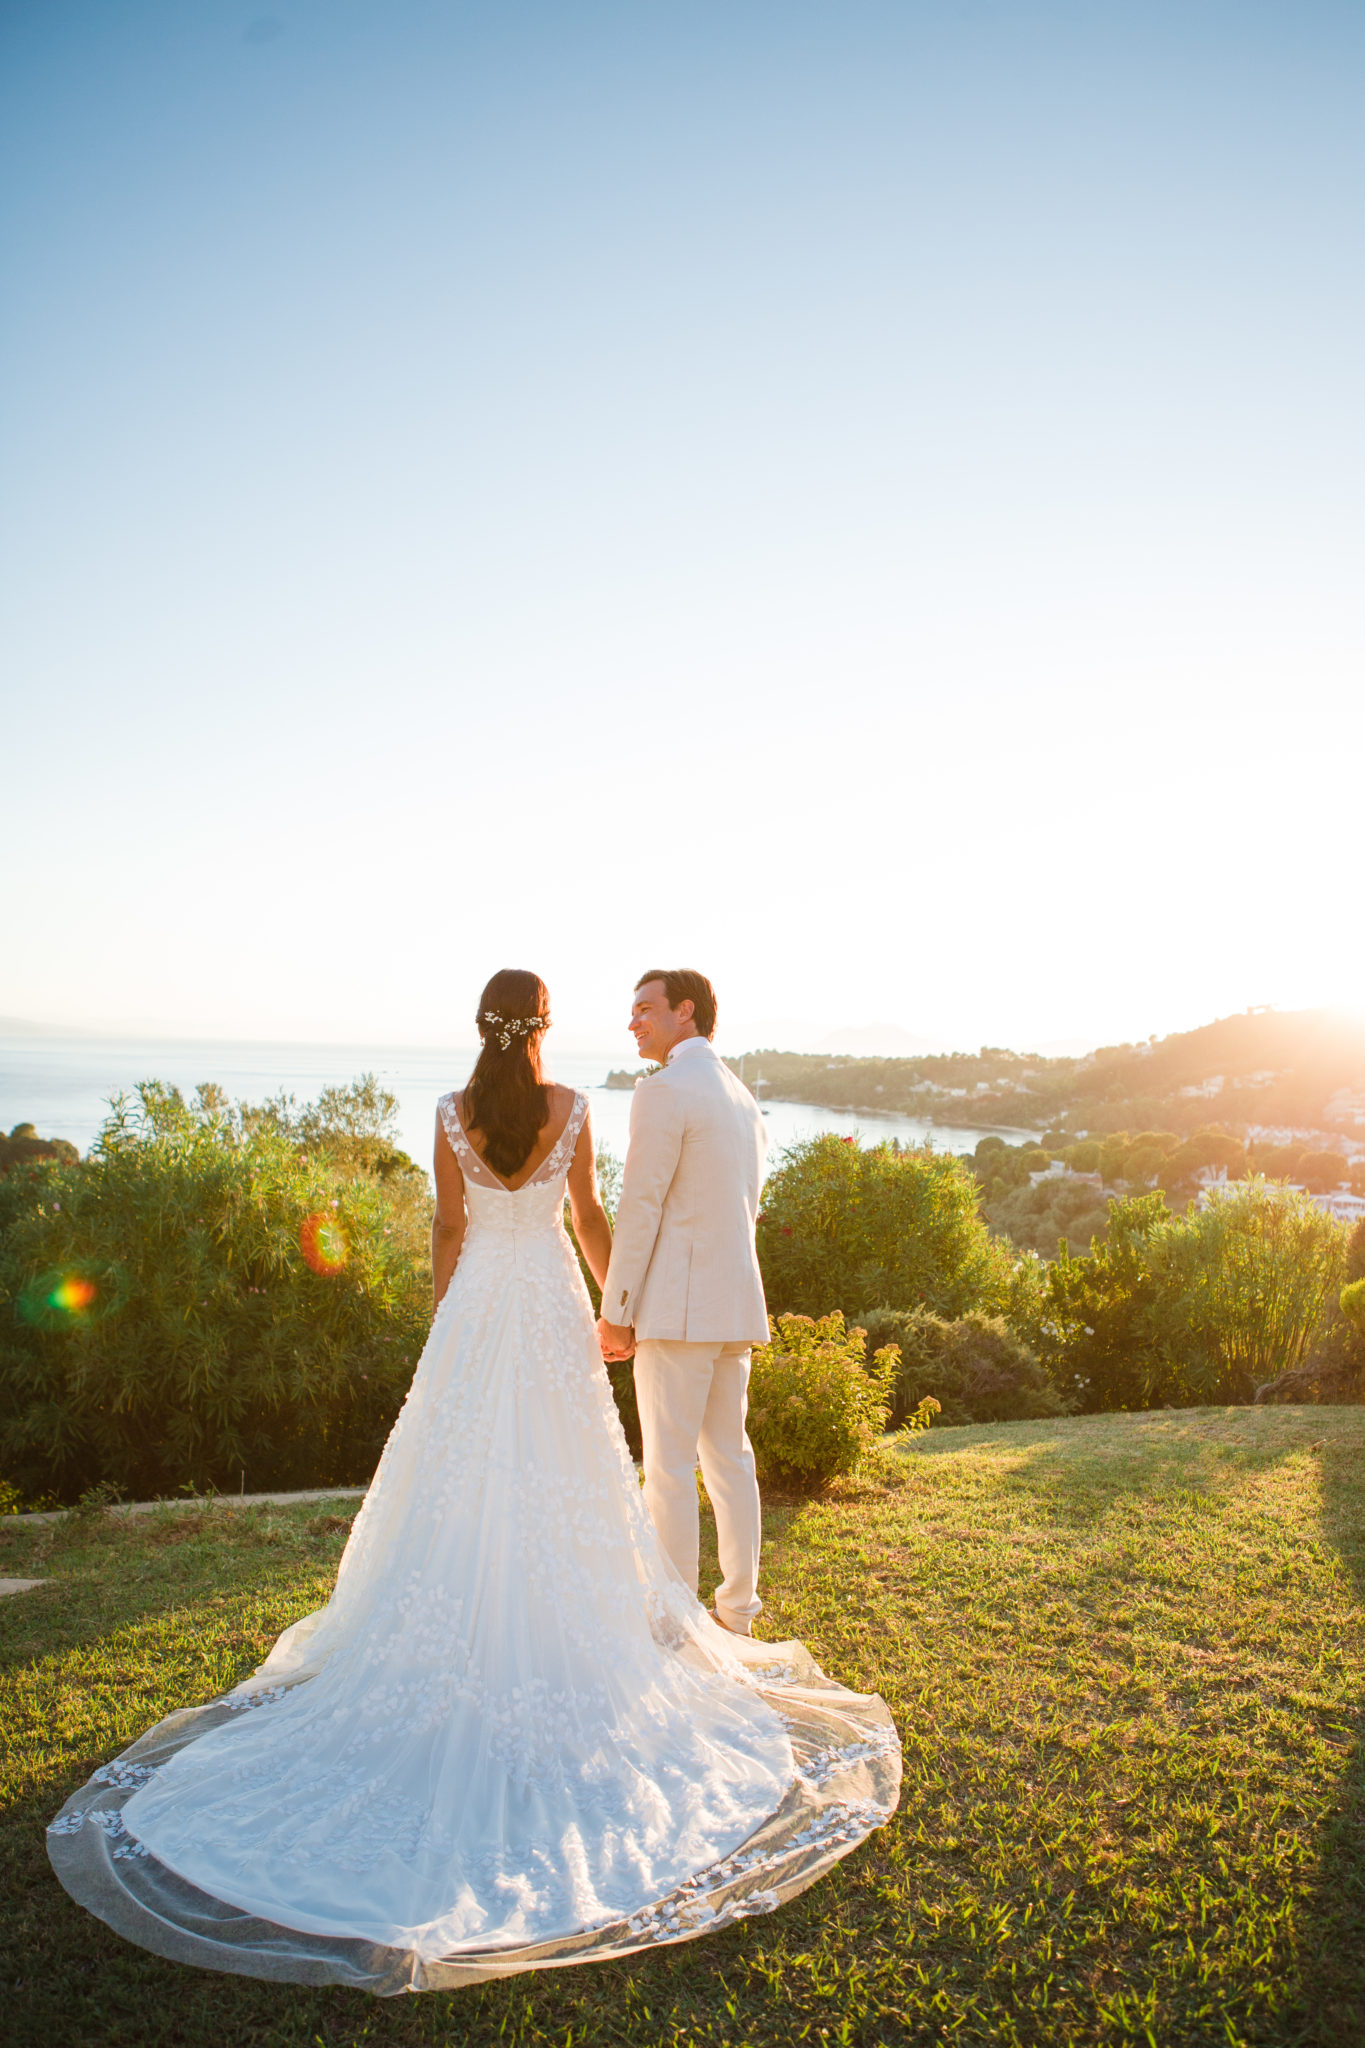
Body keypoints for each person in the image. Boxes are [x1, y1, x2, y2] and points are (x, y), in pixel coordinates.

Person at [48, 971, 899, 1996]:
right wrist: (610, 1310)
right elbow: (587, 1217)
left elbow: (448, 1231)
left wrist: (449, 1315)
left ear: (481, 1027)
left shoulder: (452, 1113)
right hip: (547, 1303)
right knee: (575, 1465)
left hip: (483, 1305)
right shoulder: (573, 1109)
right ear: (543, 1028)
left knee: (456, 1473)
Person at [597, 970, 768, 1638]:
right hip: (734, 1305)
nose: (633, 1022)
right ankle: (737, 1613)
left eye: (645, 1009)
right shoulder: (740, 1095)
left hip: (678, 1309)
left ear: (685, 1013)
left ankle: (671, 1621)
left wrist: (616, 1309)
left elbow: (639, 1206)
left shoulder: (663, 1091)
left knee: (667, 1469)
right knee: (731, 1461)